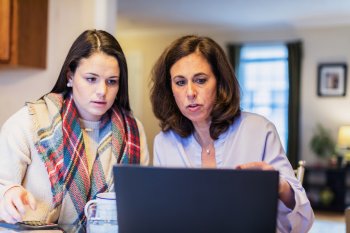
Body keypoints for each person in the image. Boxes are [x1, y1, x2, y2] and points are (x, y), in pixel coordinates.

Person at [150, 35, 313, 233]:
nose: (190, 92)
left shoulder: (259, 130)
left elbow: (304, 222)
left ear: (220, 83)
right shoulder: (164, 142)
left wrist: (279, 186)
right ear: (170, 89)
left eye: (200, 80)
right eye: (180, 82)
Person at [0, 29, 149, 227]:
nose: (102, 91)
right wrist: (7, 193)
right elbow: (2, 186)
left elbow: (143, 201)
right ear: (70, 76)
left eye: (111, 82)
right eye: (91, 79)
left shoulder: (133, 131)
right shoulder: (28, 123)